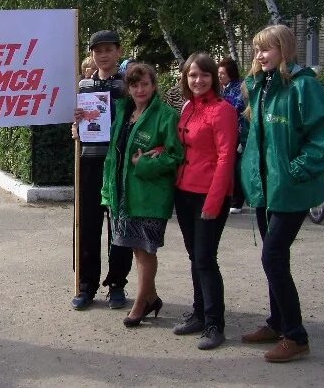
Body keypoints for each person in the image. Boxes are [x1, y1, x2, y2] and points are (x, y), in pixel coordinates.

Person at [240, 25, 324, 363]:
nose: (260, 55)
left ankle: (296, 335)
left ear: (285, 49)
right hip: (268, 189)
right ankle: (277, 322)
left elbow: (321, 137)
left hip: (290, 189)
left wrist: (297, 171)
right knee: (274, 256)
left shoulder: (302, 86)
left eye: (267, 49)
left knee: (273, 256)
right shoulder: (262, 86)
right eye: (256, 49)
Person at [101, 63, 183, 327]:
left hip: (149, 196)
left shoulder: (165, 115)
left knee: (146, 250)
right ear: (128, 87)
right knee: (137, 250)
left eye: (145, 84)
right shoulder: (124, 112)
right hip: (124, 195)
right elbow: (114, 154)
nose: (140, 89)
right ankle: (151, 296)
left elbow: (175, 156)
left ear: (154, 85)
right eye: (134, 85)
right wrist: (108, 190)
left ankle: (140, 303)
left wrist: (144, 164)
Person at [172, 52, 238, 350]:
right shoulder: (187, 107)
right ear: (186, 78)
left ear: (214, 77)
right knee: (194, 256)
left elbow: (226, 158)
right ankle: (199, 313)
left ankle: (214, 323)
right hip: (184, 192)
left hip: (208, 195)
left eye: (204, 75)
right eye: (193, 75)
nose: (198, 80)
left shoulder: (222, 110)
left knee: (205, 259)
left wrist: (213, 202)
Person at [70, 30, 133, 310]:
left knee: (118, 225)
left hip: (117, 163)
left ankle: (117, 284)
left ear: (118, 51)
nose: (103, 55)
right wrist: (76, 126)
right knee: (87, 225)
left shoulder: (127, 85)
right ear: (92, 54)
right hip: (89, 161)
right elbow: (80, 118)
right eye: (98, 50)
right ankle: (86, 286)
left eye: (108, 49)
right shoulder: (84, 84)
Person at [217, 57, 247, 214]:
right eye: (218, 73)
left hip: (238, 132)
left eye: (222, 73)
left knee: (236, 167)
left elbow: (236, 109)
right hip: (225, 132)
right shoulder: (223, 88)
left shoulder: (238, 88)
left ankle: (237, 200)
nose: (219, 76)